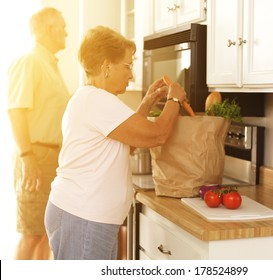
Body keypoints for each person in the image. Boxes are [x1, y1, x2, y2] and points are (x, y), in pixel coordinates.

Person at [44, 25, 187, 260]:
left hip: (86, 218)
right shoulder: (97, 100)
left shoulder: (93, 99)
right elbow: (156, 135)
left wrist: (147, 102)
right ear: (106, 66)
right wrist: (174, 99)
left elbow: (128, 142)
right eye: (128, 66)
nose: (131, 75)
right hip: (83, 218)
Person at [7, 7, 70, 260]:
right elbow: (16, 111)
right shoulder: (30, 61)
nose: (66, 32)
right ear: (48, 29)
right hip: (35, 156)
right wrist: (27, 157)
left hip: (50, 159)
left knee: (45, 232)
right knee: (31, 233)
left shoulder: (49, 64)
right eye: (62, 27)